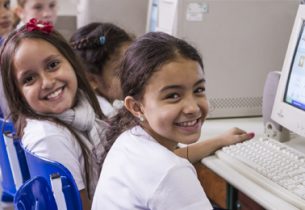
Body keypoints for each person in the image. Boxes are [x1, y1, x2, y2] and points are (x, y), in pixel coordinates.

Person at [91, 31, 254, 209]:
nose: (193, 108)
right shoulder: (170, 173)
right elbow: (167, 171)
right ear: (136, 107)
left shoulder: (129, 140)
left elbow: (169, 160)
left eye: (198, 90)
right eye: (173, 95)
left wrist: (219, 141)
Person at [70, 22, 253, 165]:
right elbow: (167, 162)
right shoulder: (107, 120)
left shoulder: (126, 131)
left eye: (199, 90)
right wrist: (218, 141)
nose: (132, 73)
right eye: (122, 70)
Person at [0, 18, 110, 209]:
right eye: (29, 78)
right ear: (18, 94)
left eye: (52, 65)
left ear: (71, 62)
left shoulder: (84, 106)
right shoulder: (49, 138)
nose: (47, 82)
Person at [70, 22, 134, 117]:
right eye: (120, 72)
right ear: (92, 80)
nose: (134, 75)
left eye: (134, 65)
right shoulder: (107, 117)